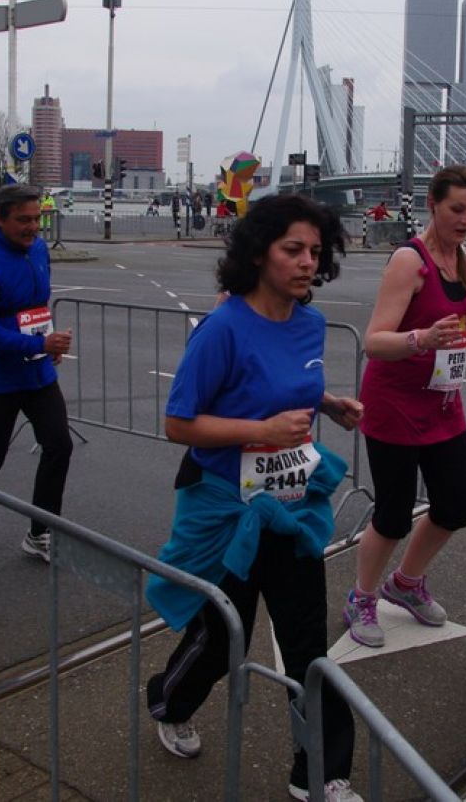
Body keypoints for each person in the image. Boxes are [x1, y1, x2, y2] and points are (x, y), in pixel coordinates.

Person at [144, 194, 365, 802]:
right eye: (293, 249)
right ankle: (169, 702)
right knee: (221, 638)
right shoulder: (223, 329)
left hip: (291, 506)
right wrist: (260, 430)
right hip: (226, 510)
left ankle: (319, 771)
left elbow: (288, 384)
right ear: (259, 254)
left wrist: (328, 405)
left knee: (307, 645)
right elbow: (179, 423)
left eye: (315, 251)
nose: (307, 262)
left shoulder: (310, 323)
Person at [343, 165, 466, 648]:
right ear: (432, 204)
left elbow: (461, 327)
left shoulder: (464, 258)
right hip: (395, 406)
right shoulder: (410, 260)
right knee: (393, 513)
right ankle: (362, 597)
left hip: (442, 405)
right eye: (456, 209)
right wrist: (420, 339)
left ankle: (405, 583)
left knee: (456, 506)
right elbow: (375, 341)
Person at [0, 184, 74, 562]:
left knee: (59, 445)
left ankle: (40, 530)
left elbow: (37, 306)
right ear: (0, 220)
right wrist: (39, 344)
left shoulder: (38, 249)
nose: (33, 227)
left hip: (37, 373)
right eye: (23, 220)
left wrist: (46, 343)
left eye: (37, 218)